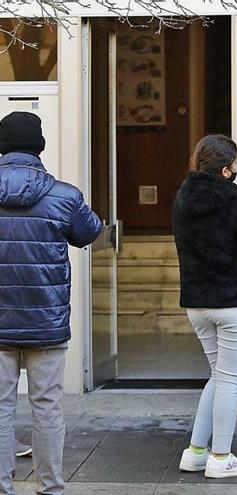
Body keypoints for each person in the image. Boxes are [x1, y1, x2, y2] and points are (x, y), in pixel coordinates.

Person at [0, 111, 103, 495]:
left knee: (0, 409)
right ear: (39, 147)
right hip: (46, 321)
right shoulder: (64, 195)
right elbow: (89, 233)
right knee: (46, 407)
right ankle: (51, 488)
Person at [172, 135, 237, 479]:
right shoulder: (236, 204)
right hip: (235, 303)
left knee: (217, 376)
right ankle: (221, 456)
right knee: (230, 381)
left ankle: (196, 451)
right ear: (227, 169)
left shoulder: (182, 200)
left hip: (197, 303)